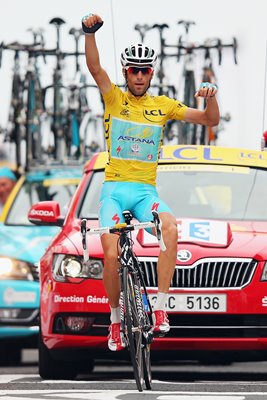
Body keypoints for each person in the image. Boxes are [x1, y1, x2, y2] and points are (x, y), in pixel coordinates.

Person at [82, 13, 220, 351]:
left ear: (152, 73)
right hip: (114, 190)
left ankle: (160, 308)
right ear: (126, 71)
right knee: (111, 255)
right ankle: (115, 322)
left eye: (145, 71)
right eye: (134, 70)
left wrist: (212, 96)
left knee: (170, 227)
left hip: (146, 192)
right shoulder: (114, 98)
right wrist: (89, 33)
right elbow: (95, 69)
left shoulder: (164, 106)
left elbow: (208, 119)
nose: (140, 76)